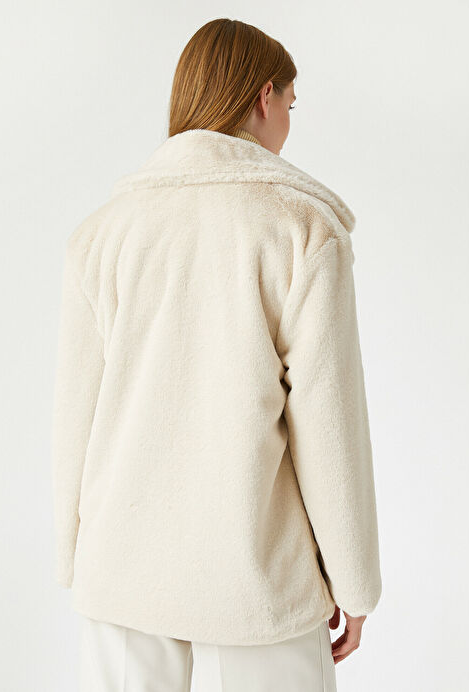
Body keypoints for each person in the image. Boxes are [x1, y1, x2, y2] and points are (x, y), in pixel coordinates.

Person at [51, 17, 382, 692]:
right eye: (290, 105)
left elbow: (74, 417)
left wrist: (72, 557)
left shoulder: (102, 235)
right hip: (256, 580)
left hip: (121, 573)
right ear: (264, 97)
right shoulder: (300, 229)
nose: (288, 124)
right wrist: (354, 583)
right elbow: (329, 425)